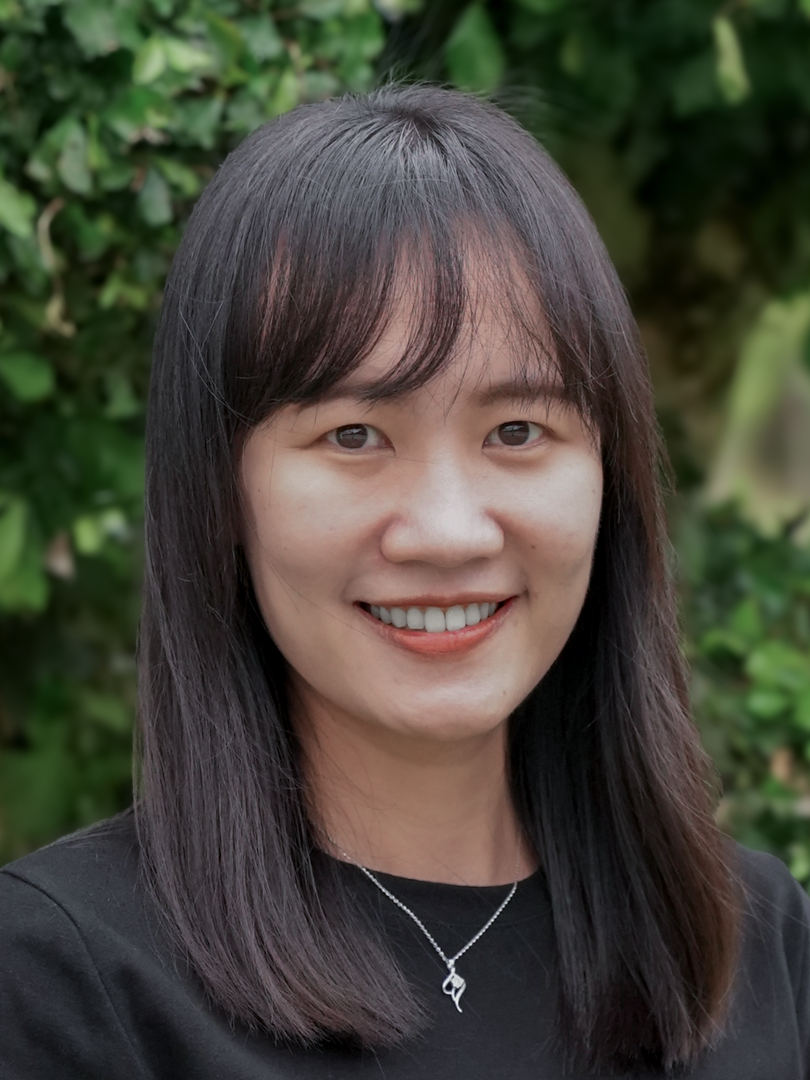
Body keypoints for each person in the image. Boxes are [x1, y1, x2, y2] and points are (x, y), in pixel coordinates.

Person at [1, 84, 808, 1080]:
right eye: (354, 435)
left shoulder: (760, 947)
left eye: (517, 430)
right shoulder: (58, 983)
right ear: (220, 491)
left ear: (611, 474)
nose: (447, 531)